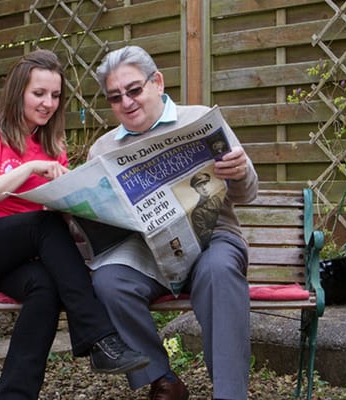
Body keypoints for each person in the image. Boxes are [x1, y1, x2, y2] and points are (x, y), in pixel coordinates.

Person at [0, 49, 149, 400]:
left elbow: (58, 222)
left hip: (20, 259)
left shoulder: (52, 147)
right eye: (39, 93)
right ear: (17, 91)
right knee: (42, 224)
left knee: (45, 287)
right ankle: (100, 338)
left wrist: (86, 205)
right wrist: (28, 171)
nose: (48, 103)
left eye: (55, 95)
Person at [87, 45, 259, 400]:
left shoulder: (199, 121)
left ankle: (229, 394)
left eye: (134, 90)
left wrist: (240, 172)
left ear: (158, 82)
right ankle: (163, 380)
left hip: (212, 237)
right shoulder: (102, 149)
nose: (127, 102)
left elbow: (246, 194)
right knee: (108, 280)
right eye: (115, 97)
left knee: (220, 272)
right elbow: (92, 226)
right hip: (145, 250)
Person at [189, 172, 224, 247]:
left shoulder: (216, 198)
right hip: (214, 244)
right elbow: (204, 235)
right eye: (199, 186)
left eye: (205, 184)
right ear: (196, 190)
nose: (204, 188)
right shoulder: (197, 212)